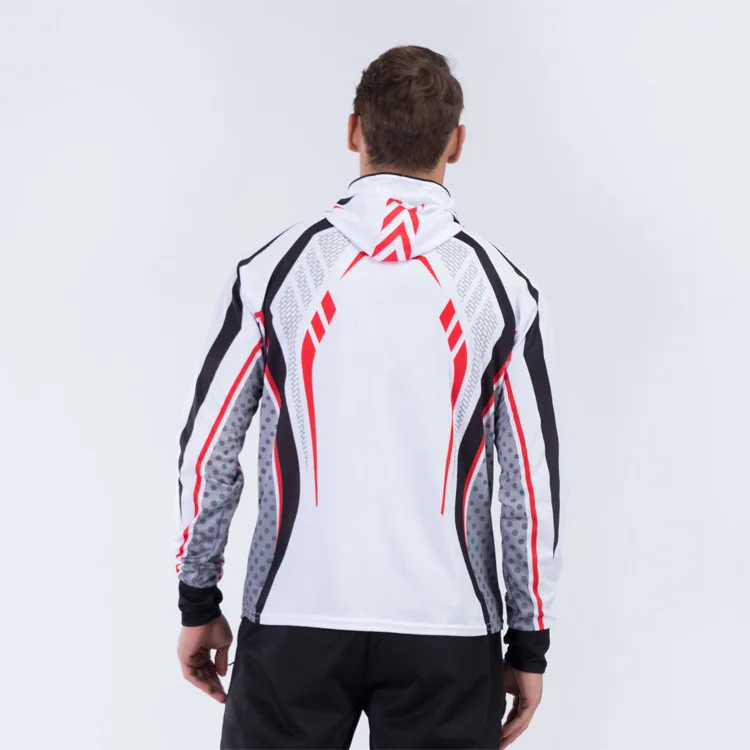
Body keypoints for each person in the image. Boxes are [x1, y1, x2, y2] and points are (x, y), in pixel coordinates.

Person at [174, 45, 562, 750]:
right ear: (457, 143)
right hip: (449, 629)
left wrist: (199, 598)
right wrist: (528, 643)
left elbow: (210, 451)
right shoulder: (503, 293)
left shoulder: (273, 273)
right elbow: (529, 487)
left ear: (354, 130)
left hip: (292, 616)